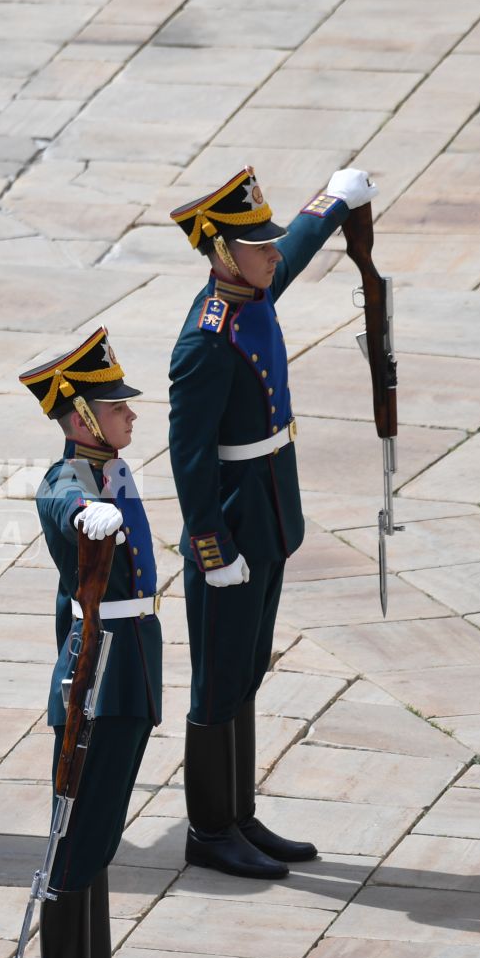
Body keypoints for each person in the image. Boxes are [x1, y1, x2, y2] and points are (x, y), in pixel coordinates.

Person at [167, 164, 376, 879]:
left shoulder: (253, 287)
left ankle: (239, 812)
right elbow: (189, 456)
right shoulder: (206, 338)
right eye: (258, 246)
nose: (273, 254)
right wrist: (209, 545)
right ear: (224, 254)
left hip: (270, 507)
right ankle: (207, 826)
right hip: (231, 516)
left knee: (248, 666)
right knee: (218, 676)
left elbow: (303, 242)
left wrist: (334, 199)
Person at [20, 329, 174, 958]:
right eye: (116, 407)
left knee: (100, 837)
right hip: (98, 681)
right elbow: (58, 508)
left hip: (132, 666)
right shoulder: (74, 483)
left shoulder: (110, 469)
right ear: (80, 417)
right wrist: (86, 520)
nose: (130, 416)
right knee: (76, 846)